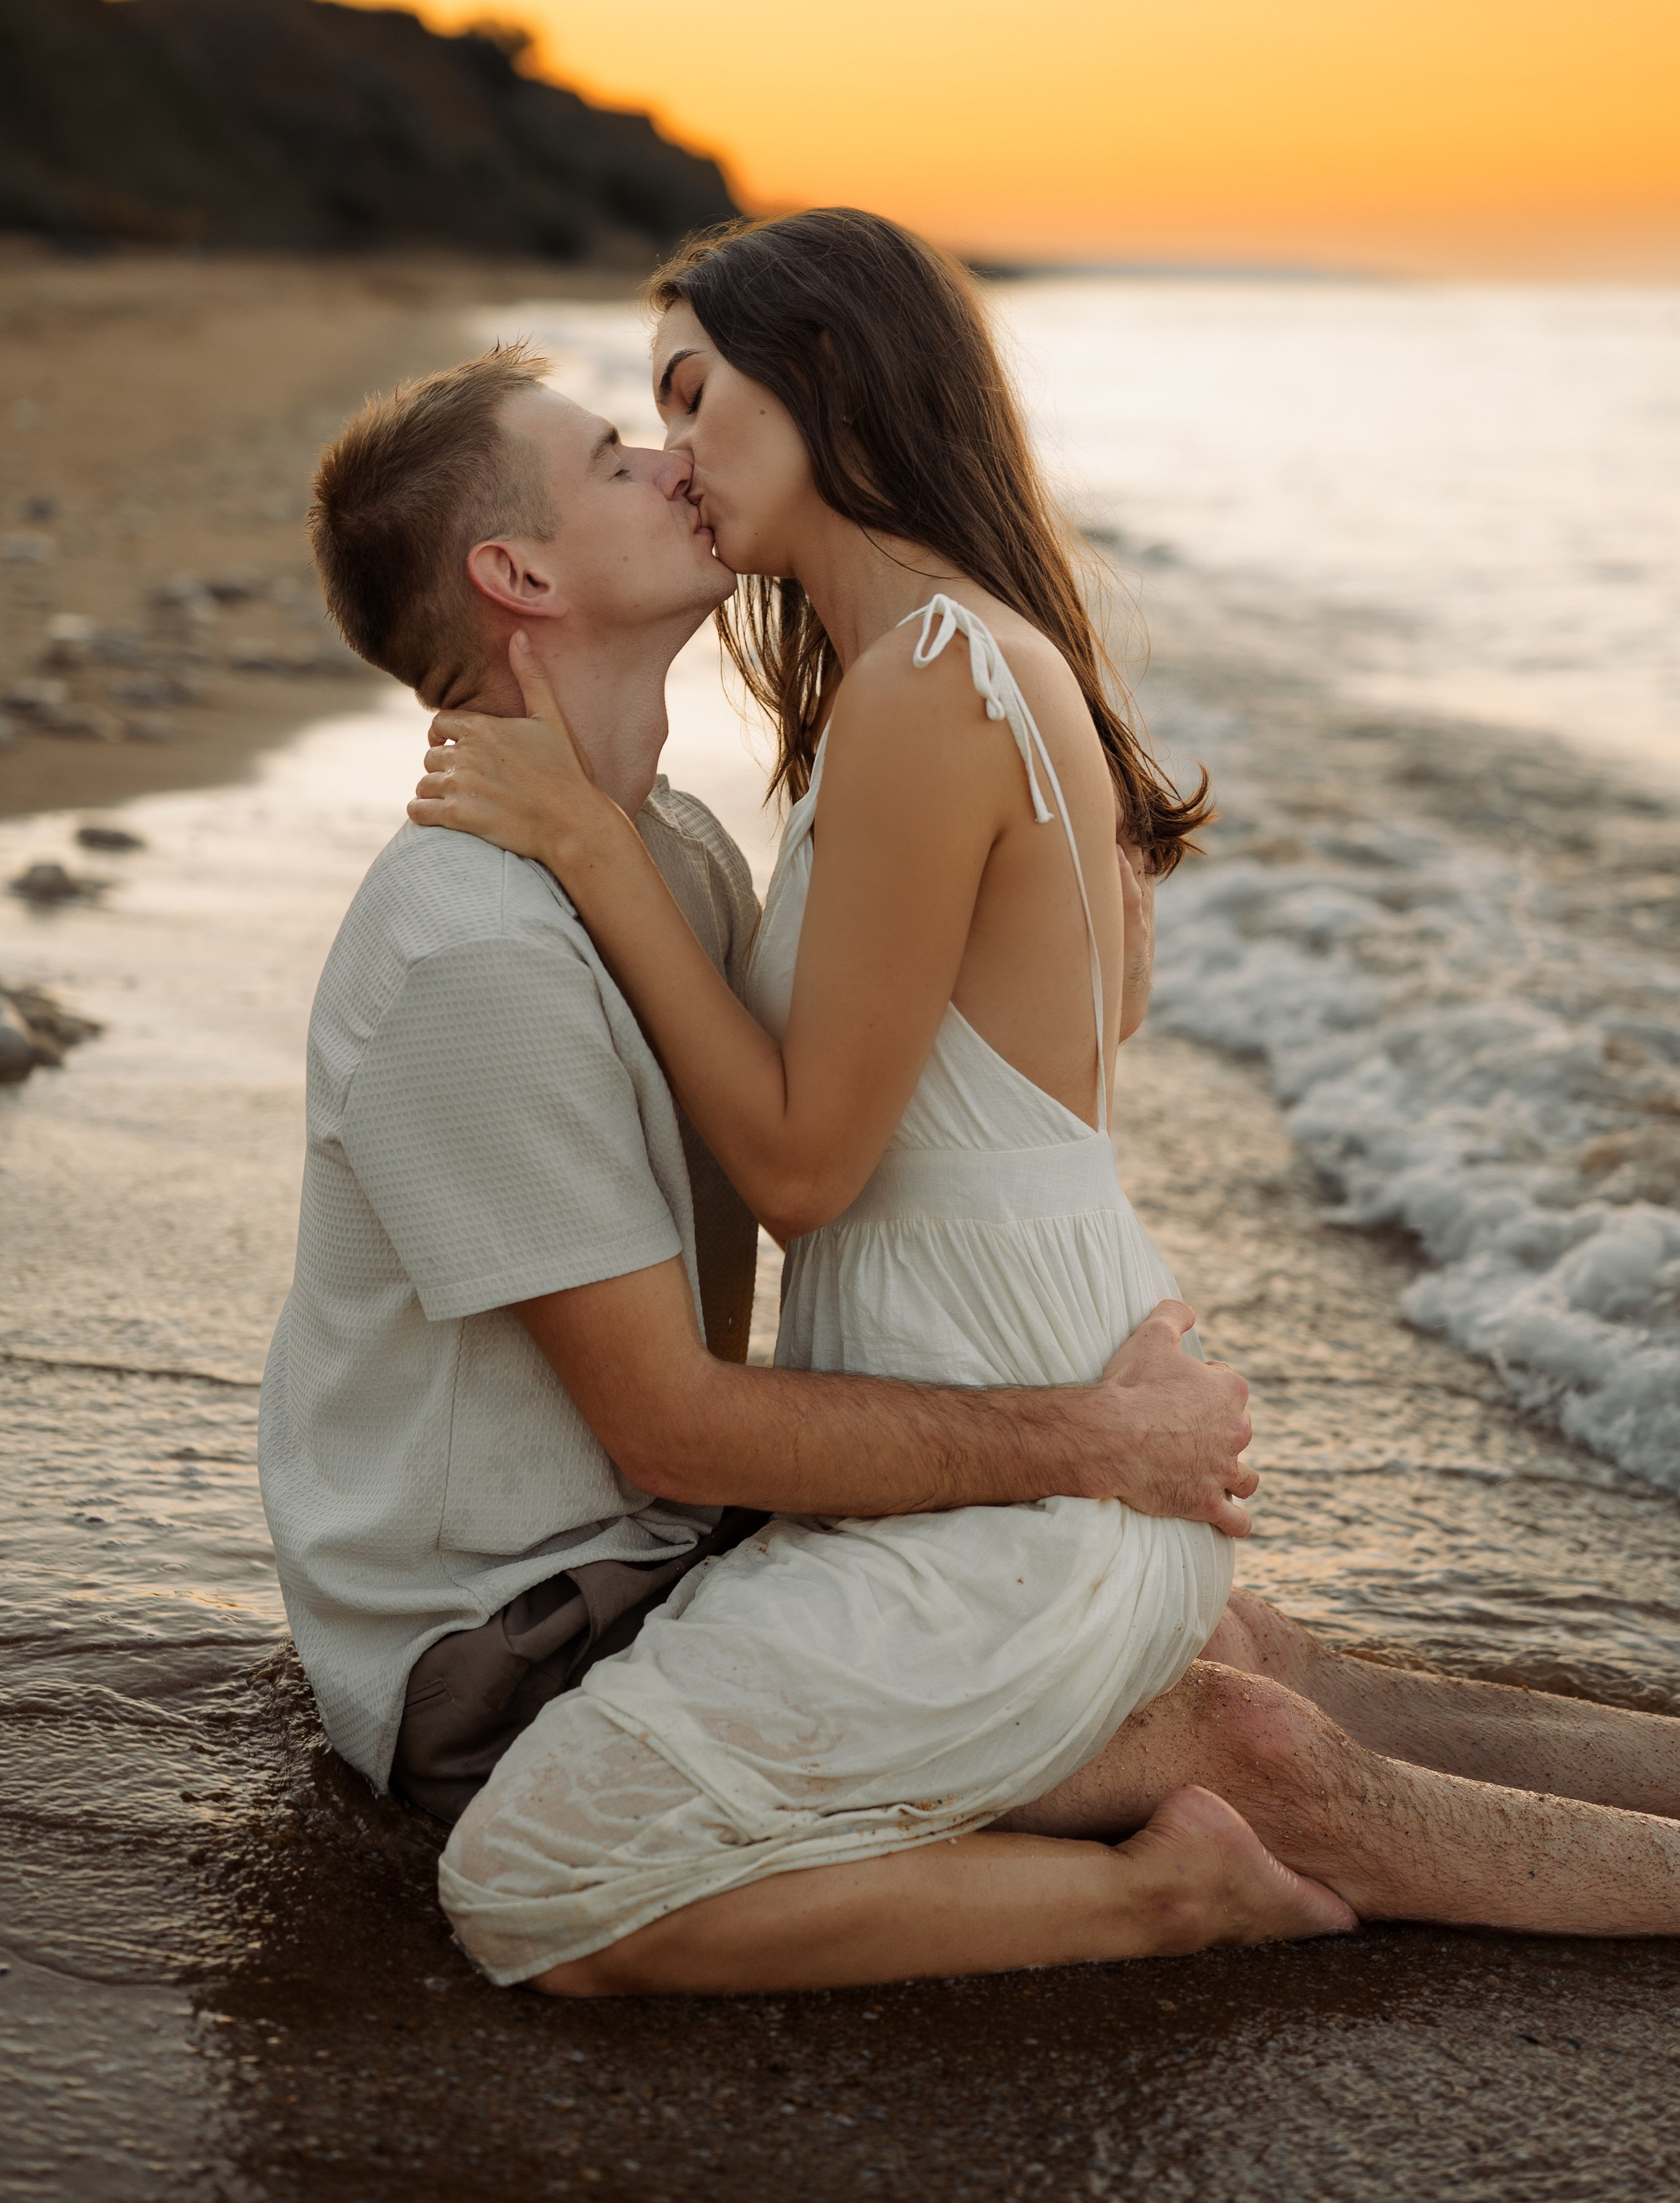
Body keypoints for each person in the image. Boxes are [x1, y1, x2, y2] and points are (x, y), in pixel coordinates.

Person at [413, 207, 1680, 1995]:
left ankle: (1177, 1888)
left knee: (537, 1885)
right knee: (1268, 1694)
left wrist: (583, 842)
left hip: (1013, 1496)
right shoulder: (956, 665)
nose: (677, 457)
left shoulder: (937, 682)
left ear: (831, 372)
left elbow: (801, 1167)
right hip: (1041, 1428)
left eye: (696, 398)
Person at [260, 337, 1320, 1959]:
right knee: (1204, 1718)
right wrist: (1096, 1441)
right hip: (511, 1641)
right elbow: (678, 1423)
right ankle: (1159, 1897)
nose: (676, 460)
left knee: (1225, 1643)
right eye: (617, 456)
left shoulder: (669, 860)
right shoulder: (469, 943)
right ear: (516, 571)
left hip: (664, 1545)